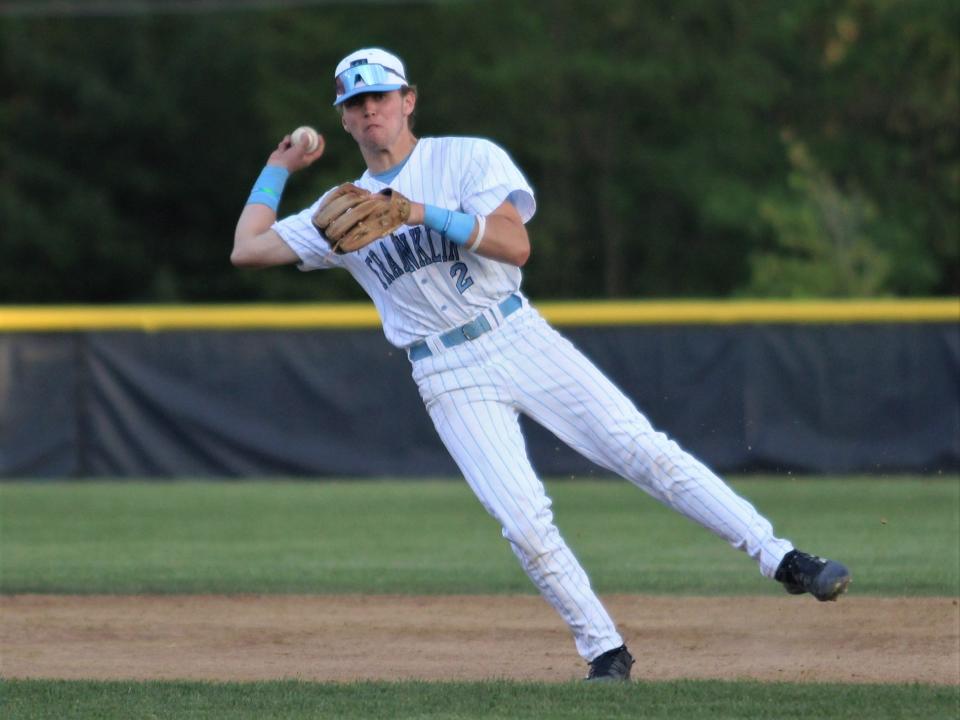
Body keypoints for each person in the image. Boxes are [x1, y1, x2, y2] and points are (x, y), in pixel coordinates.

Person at [231, 47, 851, 681]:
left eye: (380, 97)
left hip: (516, 334)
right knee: (523, 522)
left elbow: (514, 245)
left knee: (644, 451)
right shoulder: (342, 208)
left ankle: (784, 559)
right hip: (444, 372)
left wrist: (418, 211)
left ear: (408, 100)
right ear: (343, 120)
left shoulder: (466, 157)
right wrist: (277, 167)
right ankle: (605, 651)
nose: (370, 112)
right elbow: (247, 250)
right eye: (355, 104)